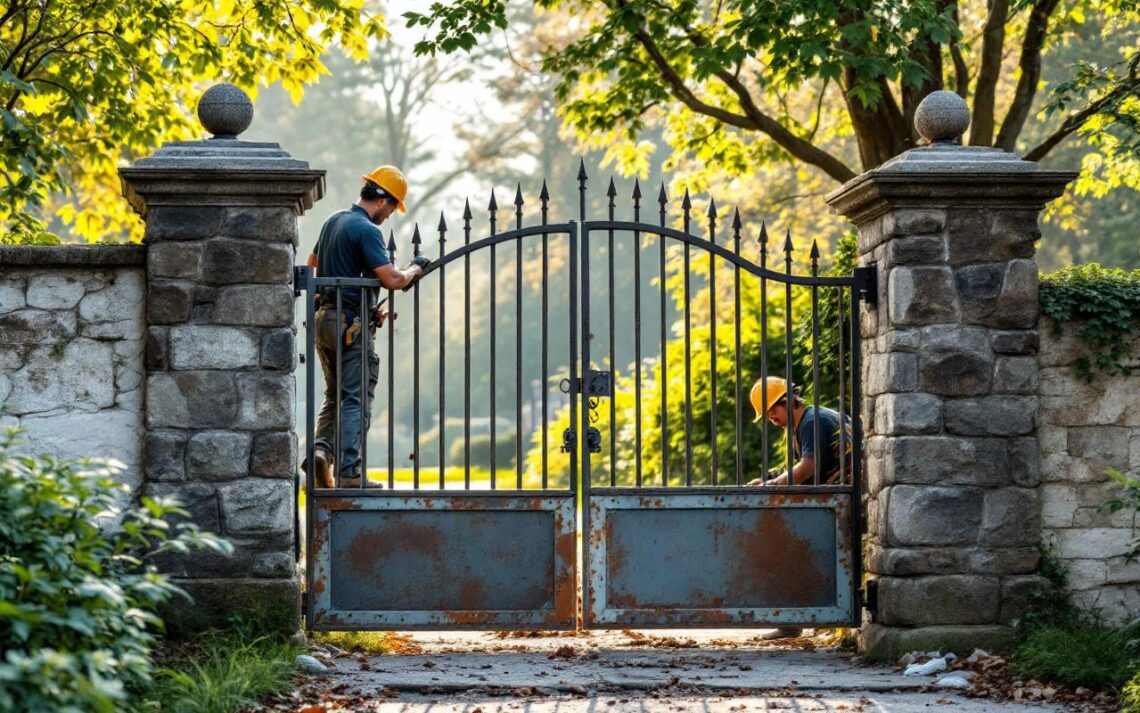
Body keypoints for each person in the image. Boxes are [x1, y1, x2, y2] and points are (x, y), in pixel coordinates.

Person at [304, 165, 429, 488]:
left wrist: (343, 299)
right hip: (350, 326)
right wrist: (414, 269)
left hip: (324, 322)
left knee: (334, 395)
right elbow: (392, 279)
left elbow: (312, 265)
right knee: (356, 397)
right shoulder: (366, 230)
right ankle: (349, 472)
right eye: (391, 209)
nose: (389, 216)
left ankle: (320, 451)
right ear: (383, 200)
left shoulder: (334, 221)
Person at [746, 375, 853, 640]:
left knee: (789, 544)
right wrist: (770, 478)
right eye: (767, 414)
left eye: (773, 410)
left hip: (841, 498)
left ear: (789, 401)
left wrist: (774, 485)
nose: (771, 417)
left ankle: (796, 621)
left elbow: (809, 466)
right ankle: (801, 619)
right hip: (836, 497)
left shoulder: (811, 421)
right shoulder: (805, 422)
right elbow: (800, 464)